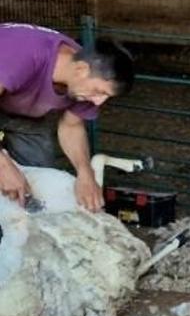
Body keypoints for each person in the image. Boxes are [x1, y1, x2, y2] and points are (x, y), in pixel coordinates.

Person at [0, 23, 134, 211]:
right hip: (9, 88)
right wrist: (3, 166)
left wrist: (85, 173)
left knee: (33, 189)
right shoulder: (23, 55)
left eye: (106, 97)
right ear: (80, 70)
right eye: (98, 91)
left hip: (22, 109)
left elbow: (72, 126)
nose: (98, 102)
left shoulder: (83, 77)